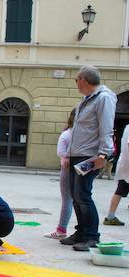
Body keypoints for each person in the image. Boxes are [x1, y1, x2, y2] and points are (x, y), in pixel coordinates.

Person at [60, 66, 116, 251]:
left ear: (83, 79)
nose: (76, 84)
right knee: (76, 196)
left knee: (83, 196)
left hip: (89, 155)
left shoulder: (103, 98)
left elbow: (106, 128)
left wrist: (103, 154)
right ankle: (81, 232)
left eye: (76, 80)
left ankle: (92, 236)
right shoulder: (86, 100)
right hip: (77, 154)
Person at [45, 109, 76, 239]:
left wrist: (66, 157)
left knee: (67, 200)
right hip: (85, 169)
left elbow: (61, 152)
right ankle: (86, 230)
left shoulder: (67, 134)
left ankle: (61, 230)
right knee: (83, 200)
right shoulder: (88, 134)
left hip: (68, 169)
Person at [103, 124, 129, 226]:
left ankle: (110, 217)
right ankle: (110, 217)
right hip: (127, 166)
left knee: (119, 191)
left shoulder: (127, 127)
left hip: (125, 165)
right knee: (120, 191)